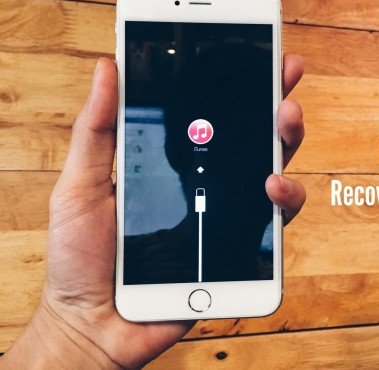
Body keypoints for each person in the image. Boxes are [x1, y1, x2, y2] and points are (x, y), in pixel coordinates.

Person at [1, 55, 306, 368]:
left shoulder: (264, 274)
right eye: (232, 150)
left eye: (253, 148)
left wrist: (71, 334)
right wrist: (71, 330)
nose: (244, 173)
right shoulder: (115, 270)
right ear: (178, 154)